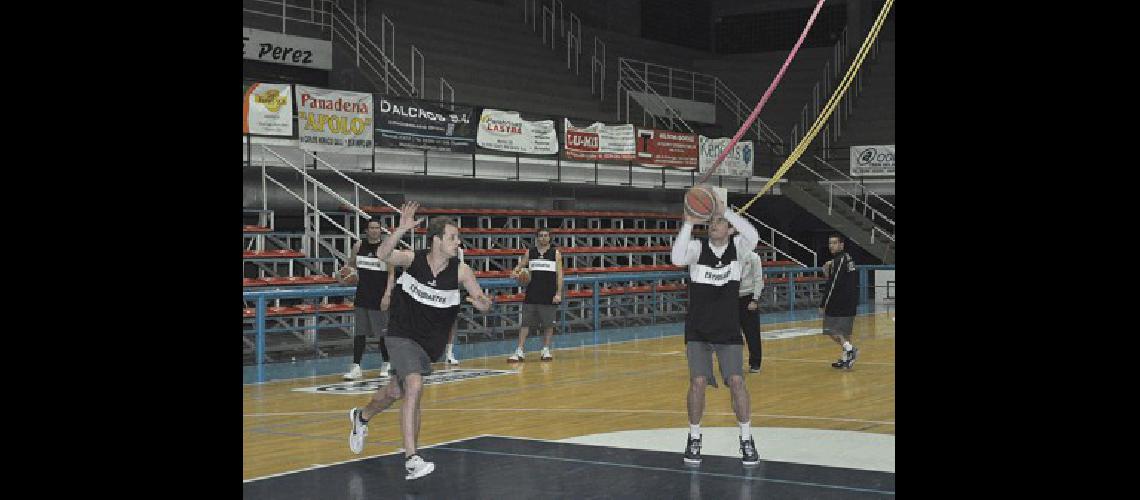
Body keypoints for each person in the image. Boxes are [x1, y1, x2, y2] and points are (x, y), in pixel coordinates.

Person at [347, 202, 494, 480]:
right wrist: (402, 228)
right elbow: (382, 254)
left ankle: (361, 417)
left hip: (430, 345)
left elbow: (484, 302)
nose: (457, 242)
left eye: (457, 237)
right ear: (436, 240)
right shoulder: (412, 259)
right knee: (414, 385)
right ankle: (412, 457)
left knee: (395, 392)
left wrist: (482, 302)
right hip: (401, 333)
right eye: (452, 237)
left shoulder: (462, 271)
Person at [671, 197, 761, 467]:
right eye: (712, 222)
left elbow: (754, 235)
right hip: (698, 329)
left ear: (730, 229)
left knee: (736, 382)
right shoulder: (697, 249)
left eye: (719, 222)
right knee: (697, 383)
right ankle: (694, 436)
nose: (714, 224)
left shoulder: (740, 248)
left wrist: (726, 212)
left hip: (727, 329)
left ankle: (746, 438)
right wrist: (688, 223)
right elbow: (676, 259)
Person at [339, 219, 395, 380]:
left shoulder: (386, 248)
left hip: (379, 296)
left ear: (380, 231)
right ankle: (356, 366)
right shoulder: (358, 246)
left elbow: (391, 273)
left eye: (377, 228)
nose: (375, 230)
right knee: (360, 333)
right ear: (367, 230)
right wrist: (344, 275)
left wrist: (387, 294)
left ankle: (387, 363)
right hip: (362, 295)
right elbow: (350, 266)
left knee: (382, 333)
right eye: (372, 227)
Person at [507, 227, 563, 362]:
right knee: (525, 324)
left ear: (549, 238)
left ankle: (545, 350)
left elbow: (560, 275)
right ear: (537, 238)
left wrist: (558, 293)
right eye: (541, 236)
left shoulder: (555, 254)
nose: (543, 238)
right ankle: (519, 351)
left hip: (549, 293)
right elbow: (519, 267)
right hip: (532, 293)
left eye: (546, 235)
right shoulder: (530, 253)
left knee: (548, 324)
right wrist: (515, 272)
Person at [819, 234, 859, 369]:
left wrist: (823, 304)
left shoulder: (839, 260)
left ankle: (850, 349)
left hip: (839, 301)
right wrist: (827, 270)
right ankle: (846, 358)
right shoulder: (846, 258)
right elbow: (836, 279)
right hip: (849, 300)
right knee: (845, 332)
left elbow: (832, 284)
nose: (831, 246)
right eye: (830, 243)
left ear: (842, 245)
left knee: (830, 329)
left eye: (835, 243)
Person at [737, 244, 764, 373]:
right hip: (732, 299)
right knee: (733, 334)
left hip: (748, 298)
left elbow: (759, 279)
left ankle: (755, 363)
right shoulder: (730, 258)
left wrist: (755, 299)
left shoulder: (754, 258)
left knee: (752, 333)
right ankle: (735, 362)